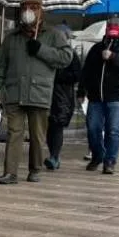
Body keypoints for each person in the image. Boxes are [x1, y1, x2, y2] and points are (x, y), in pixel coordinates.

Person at [0, 0, 72, 184]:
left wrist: (41, 49)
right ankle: (10, 173)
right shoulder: (12, 38)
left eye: (34, 7)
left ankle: (35, 169)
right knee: (14, 133)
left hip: (39, 93)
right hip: (15, 91)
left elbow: (66, 57)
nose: (28, 10)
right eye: (25, 7)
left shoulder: (53, 35)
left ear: (42, 11)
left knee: (37, 135)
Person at [78, 16, 119, 175]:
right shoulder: (96, 48)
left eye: (116, 26)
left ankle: (110, 161)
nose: (113, 28)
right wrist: (81, 90)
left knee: (113, 130)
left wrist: (113, 57)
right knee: (93, 128)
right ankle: (98, 155)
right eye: (110, 26)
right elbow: (86, 71)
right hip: (95, 96)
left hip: (117, 95)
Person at [44, 25, 82, 170]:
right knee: (49, 127)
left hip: (63, 96)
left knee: (57, 126)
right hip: (48, 94)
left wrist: (58, 76)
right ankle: (53, 155)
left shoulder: (71, 56)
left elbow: (77, 75)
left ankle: (54, 156)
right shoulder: (48, 53)